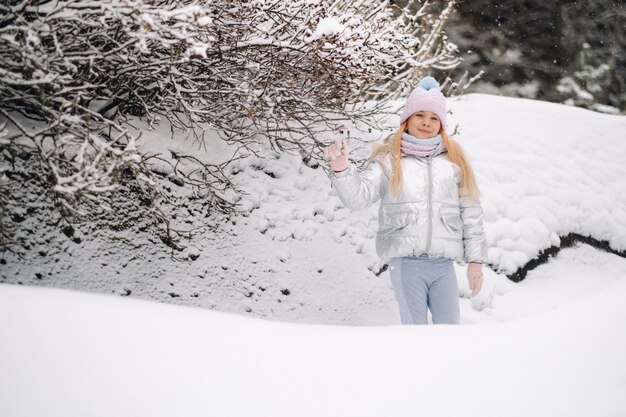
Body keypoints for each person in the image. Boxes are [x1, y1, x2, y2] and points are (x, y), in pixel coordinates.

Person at [323, 77, 487, 325]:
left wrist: (475, 261)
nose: (426, 122)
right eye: (419, 114)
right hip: (407, 264)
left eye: (434, 118)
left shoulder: (453, 162)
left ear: (441, 124)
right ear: (407, 119)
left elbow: (471, 214)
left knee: (451, 334)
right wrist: (341, 170)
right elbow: (358, 197)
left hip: (443, 266)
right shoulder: (389, 160)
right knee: (415, 333)